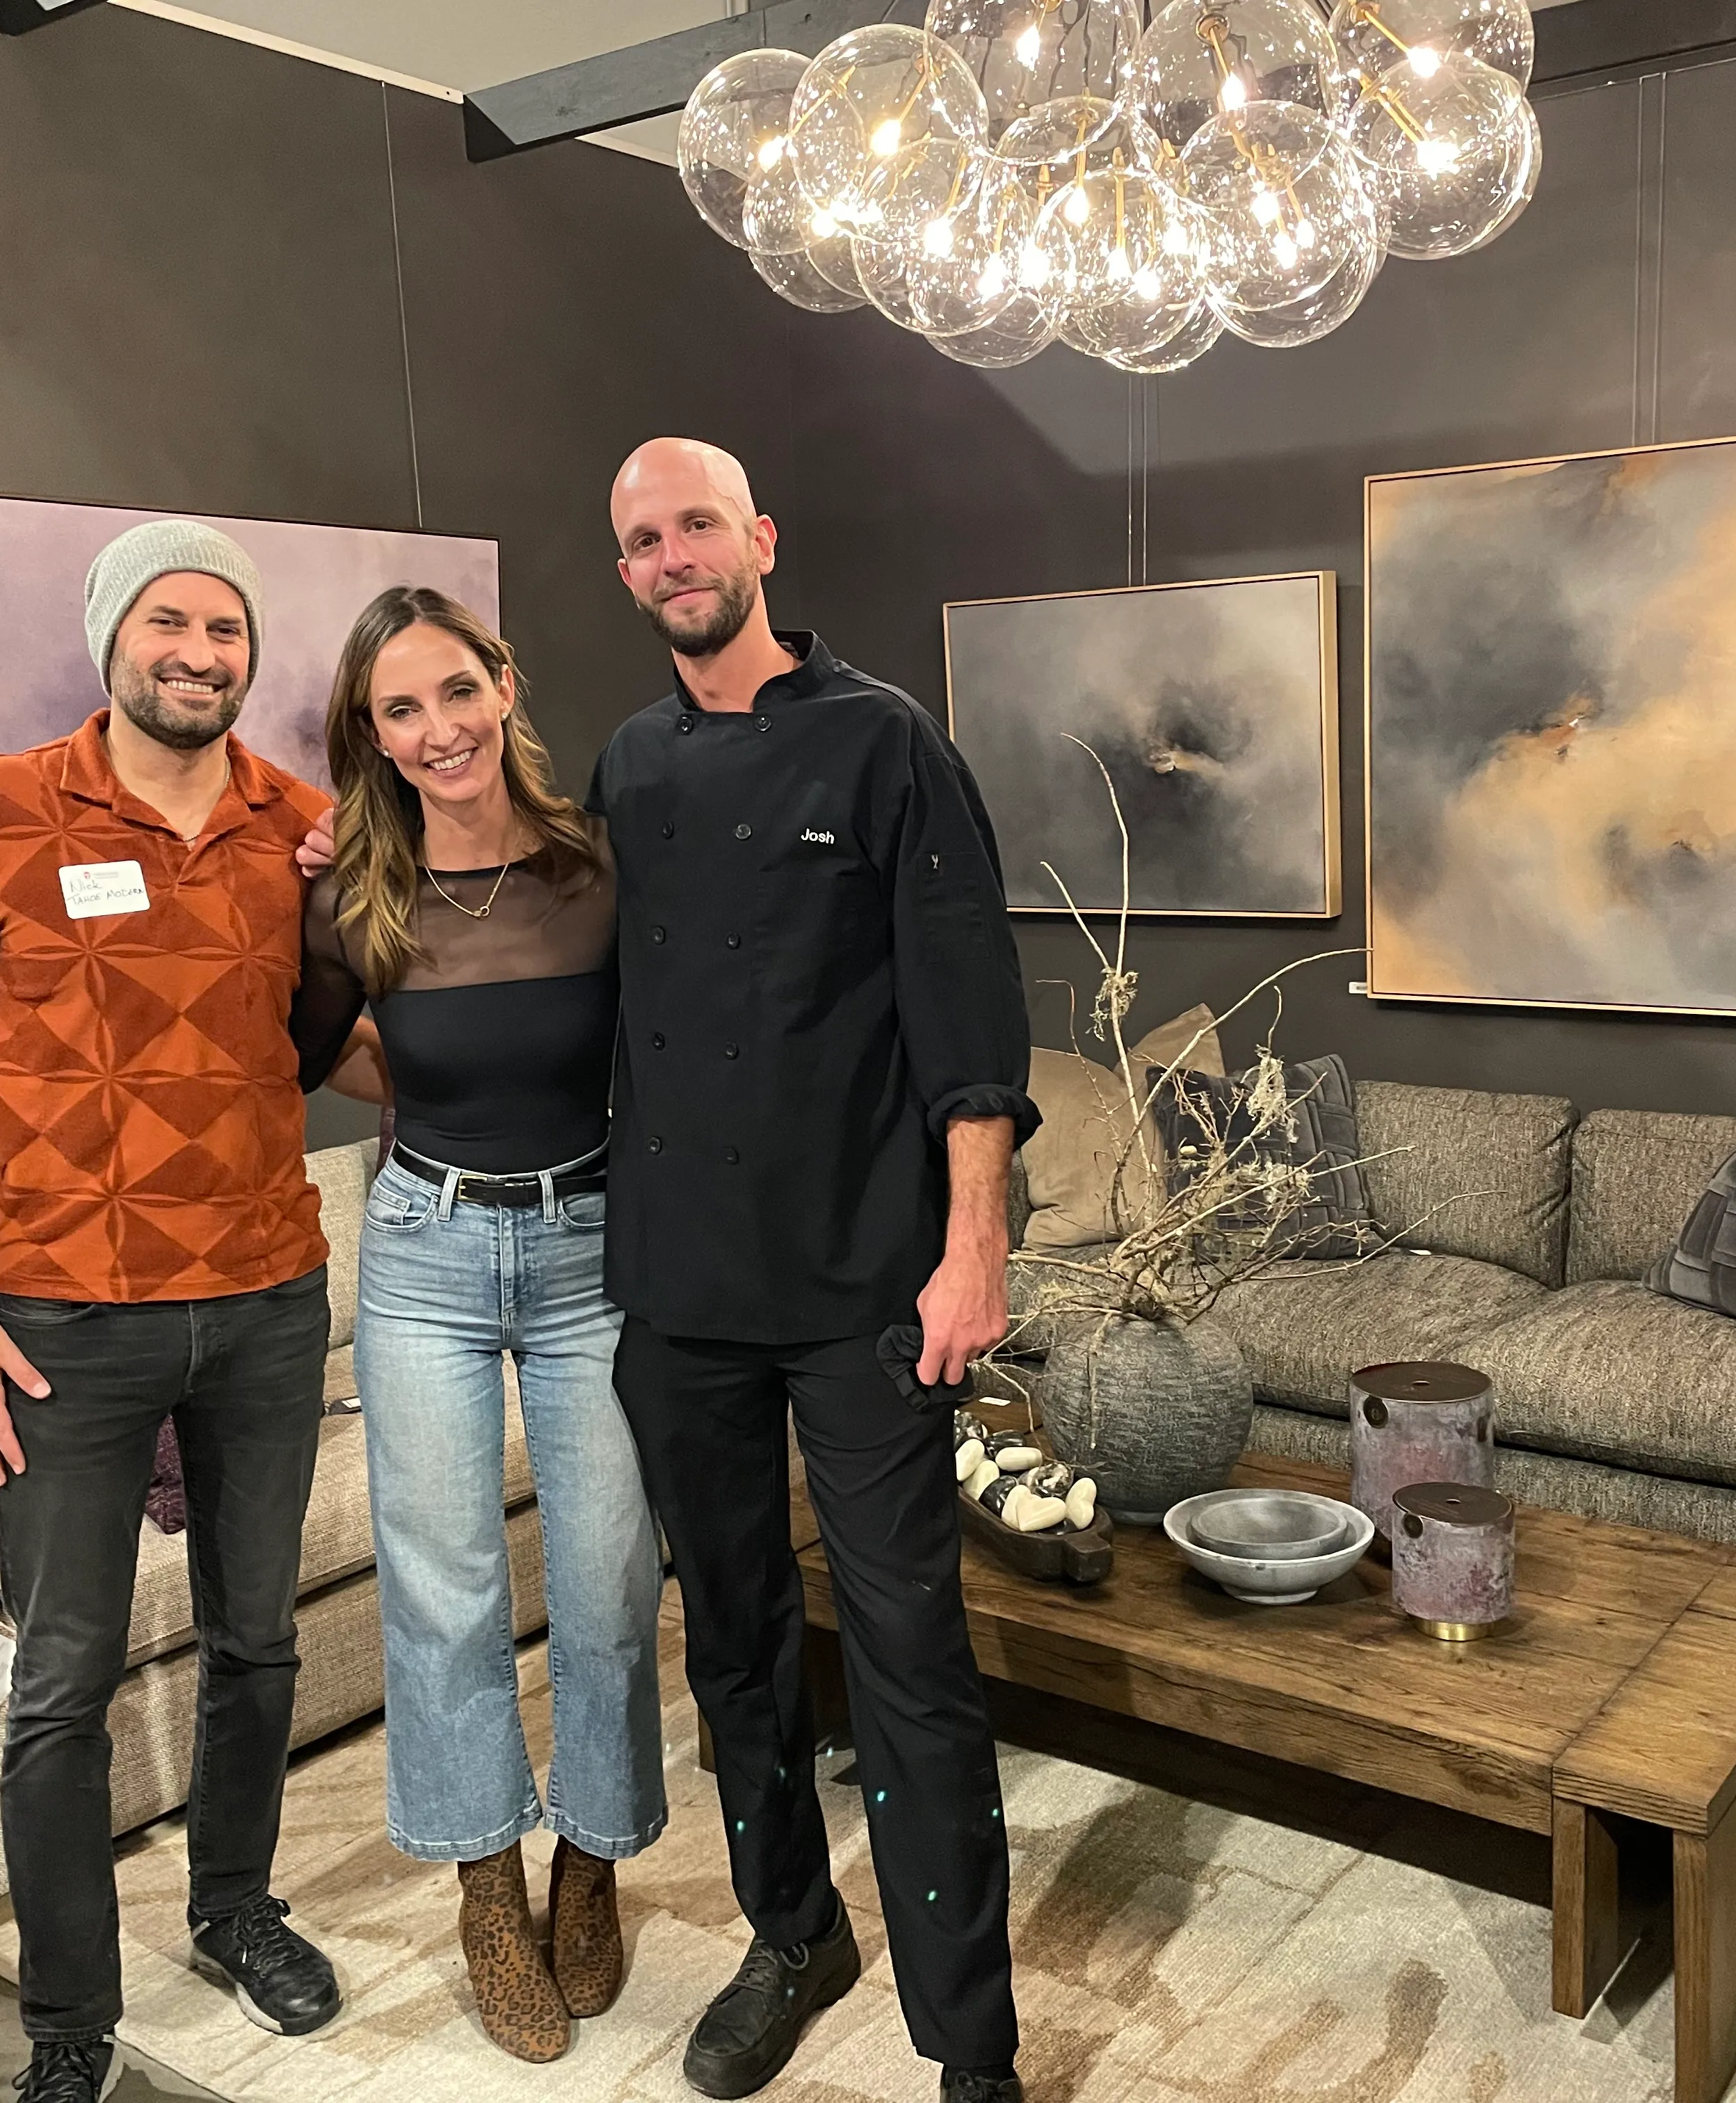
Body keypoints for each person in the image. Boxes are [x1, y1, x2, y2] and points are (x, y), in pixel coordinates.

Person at [0, 520, 343, 2103]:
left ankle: (234, 1911)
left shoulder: (305, 829)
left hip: (271, 1300)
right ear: (108, 638)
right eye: (168, 624)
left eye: (226, 630)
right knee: (61, 1682)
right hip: (63, 1320)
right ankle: (70, 2024)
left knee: (256, 1644)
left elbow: (336, 1044)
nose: (200, 653)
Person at [594, 439, 1034, 2103]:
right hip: (680, 1294)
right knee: (733, 1648)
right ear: (627, 576)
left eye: (695, 522)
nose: (672, 555)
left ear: (760, 538)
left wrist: (969, 1251)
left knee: (913, 1664)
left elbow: (968, 1025)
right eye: (641, 541)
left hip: (867, 1290)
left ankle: (971, 2050)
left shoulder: (889, 744)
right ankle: (793, 1932)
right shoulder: (628, 768)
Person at [289, 587, 664, 2065]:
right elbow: (316, 1050)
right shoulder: (349, 895)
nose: (436, 730)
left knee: (610, 1580)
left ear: (502, 685)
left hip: (593, 1248)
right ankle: (488, 1891)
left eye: (455, 692)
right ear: (370, 735)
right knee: (441, 1593)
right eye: (400, 710)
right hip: (425, 1255)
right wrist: (441, 1118)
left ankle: (593, 1857)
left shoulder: (599, 868)